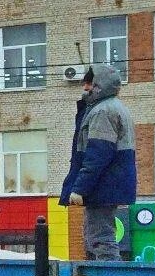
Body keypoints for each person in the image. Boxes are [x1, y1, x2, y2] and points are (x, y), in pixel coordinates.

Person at [59, 64, 137, 262]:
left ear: (100, 85)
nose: (85, 88)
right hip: (109, 184)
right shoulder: (112, 107)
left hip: (104, 185)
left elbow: (98, 154)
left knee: (100, 239)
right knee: (97, 237)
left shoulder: (102, 111)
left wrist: (80, 188)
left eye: (89, 83)